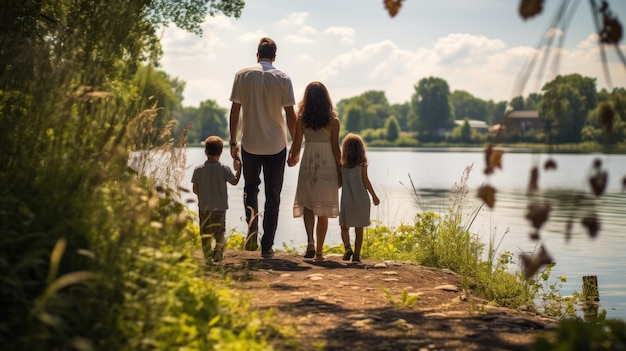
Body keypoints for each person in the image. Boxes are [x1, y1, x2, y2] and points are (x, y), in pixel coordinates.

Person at [229, 37, 297, 258]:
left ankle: (252, 234)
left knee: (250, 189)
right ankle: (267, 244)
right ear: (274, 56)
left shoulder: (242, 75)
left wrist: (232, 142)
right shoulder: (284, 79)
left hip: (250, 143)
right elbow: (291, 115)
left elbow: (235, 111)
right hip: (277, 145)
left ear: (257, 54)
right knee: (273, 194)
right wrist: (296, 147)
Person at [287, 82, 341, 262]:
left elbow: (296, 145)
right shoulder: (333, 122)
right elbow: (336, 150)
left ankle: (310, 242)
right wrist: (340, 173)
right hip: (327, 166)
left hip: (309, 164)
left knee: (309, 205)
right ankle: (319, 251)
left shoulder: (302, 120)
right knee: (323, 208)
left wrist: (292, 159)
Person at [192, 136, 241, 264]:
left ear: (205, 152)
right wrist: (239, 169)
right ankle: (218, 253)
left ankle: (207, 256)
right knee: (219, 232)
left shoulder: (198, 170)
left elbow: (195, 190)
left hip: (204, 208)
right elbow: (234, 182)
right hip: (220, 207)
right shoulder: (224, 168)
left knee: (205, 233)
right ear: (220, 152)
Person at [339, 133, 380, 263]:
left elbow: (339, 182)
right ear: (361, 149)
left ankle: (347, 248)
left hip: (347, 200)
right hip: (362, 199)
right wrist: (374, 196)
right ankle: (356, 254)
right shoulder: (362, 164)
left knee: (344, 227)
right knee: (359, 228)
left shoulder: (342, 165)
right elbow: (366, 181)